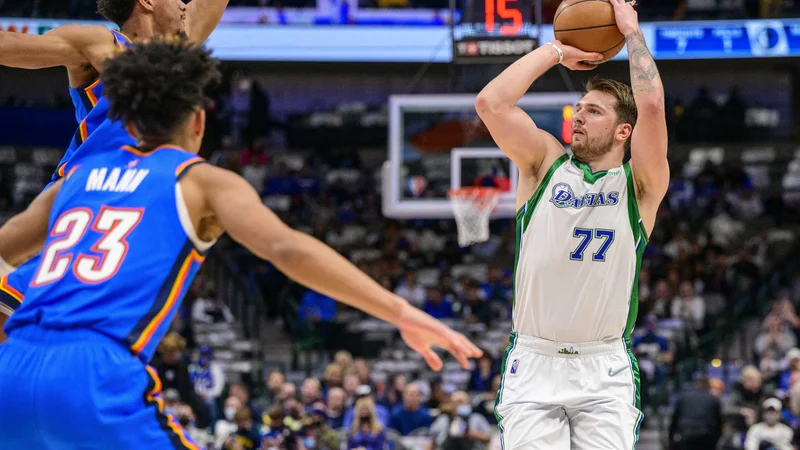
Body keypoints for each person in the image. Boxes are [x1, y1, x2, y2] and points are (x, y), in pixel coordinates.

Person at [0, 37, 482, 449]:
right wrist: (399, 312)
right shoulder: (199, 180)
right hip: (94, 371)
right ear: (198, 123)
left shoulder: (76, 178)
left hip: (13, 364)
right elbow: (287, 249)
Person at [475, 0, 668, 447]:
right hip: (534, 359)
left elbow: (652, 105)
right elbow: (491, 103)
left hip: (603, 367)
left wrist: (630, 32)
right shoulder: (543, 163)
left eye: (594, 111)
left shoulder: (639, 185)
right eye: (578, 106)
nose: (578, 114)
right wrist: (556, 51)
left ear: (624, 132)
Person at [0, 0, 231, 340]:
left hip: (121, 231)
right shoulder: (101, 44)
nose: (187, 4)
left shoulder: (176, 58)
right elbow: (9, 46)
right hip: (76, 209)